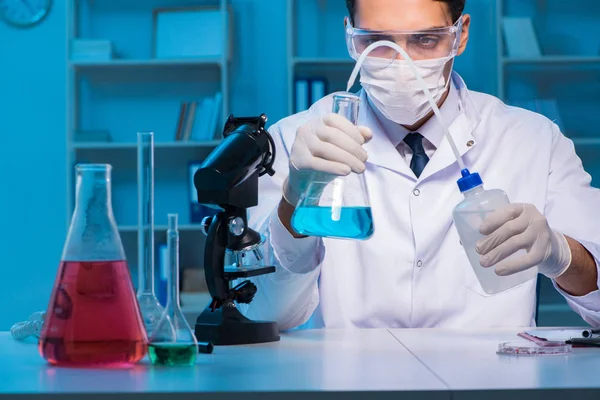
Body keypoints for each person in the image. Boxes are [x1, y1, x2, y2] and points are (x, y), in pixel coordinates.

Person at [238, 0, 600, 330]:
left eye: (425, 40)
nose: (400, 63)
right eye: (378, 41)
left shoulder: (533, 139)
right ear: (351, 36)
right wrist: (293, 204)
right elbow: (264, 313)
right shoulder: (296, 141)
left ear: (460, 35)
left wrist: (561, 253)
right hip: (348, 383)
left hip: (490, 381)